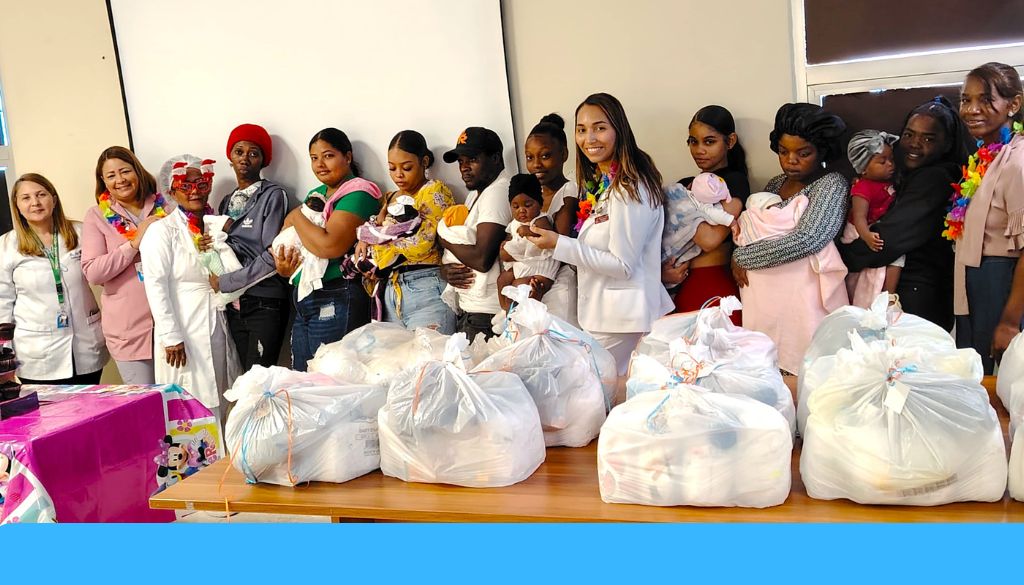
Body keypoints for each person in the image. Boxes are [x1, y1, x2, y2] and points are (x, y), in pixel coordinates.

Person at [527, 92, 674, 376]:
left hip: (623, 319)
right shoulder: (602, 186)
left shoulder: (631, 188)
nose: (589, 138)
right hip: (606, 316)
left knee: (585, 395)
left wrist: (559, 244)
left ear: (619, 130)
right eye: (581, 130)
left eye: (600, 128)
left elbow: (623, 264)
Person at [732, 103, 849, 374]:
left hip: (803, 296)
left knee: (805, 366)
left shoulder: (831, 184)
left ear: (821, 150)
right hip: (765, 299)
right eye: (783, 152)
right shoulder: (774, 184)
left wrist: (744, 257)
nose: (791, 160)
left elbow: (810, 238)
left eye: (803, 153)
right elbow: (753, 226)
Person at [839, 97, 970, 332]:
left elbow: (892, 236)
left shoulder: (935, 179)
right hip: (909, 291)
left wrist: (839, 257)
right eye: (909, 135)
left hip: (917, 294)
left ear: (947, 143)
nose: (915, 144)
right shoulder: (904, 176)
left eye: (928, 138)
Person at [140, 155, 240, 423]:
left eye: (201, 183)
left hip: (216, 318)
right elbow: (155, 284)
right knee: (191, 398)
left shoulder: (214, 224)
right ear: (171, 191)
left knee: (221, 388)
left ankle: (222, 459)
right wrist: (171, 336)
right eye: (185, 185)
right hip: (182, 327)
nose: (195, 191)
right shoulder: (161, 231)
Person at [272, 128, 381, 371]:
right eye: (313, 158)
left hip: (337, 294)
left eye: (328, 156)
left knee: (329, 381)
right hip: (304, 298)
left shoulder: (359, 192)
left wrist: (297, 216)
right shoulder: (316, 194)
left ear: (348, 157)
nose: (320, 164)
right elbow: (287, 238)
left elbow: (329, 246)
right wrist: (283, 265)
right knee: (302, 379)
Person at [951, 62, 1024, 374]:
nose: (972, 109)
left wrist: (1008, 322)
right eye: (966, 100)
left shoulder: (1017, 162)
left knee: (1003, 381)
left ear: (1014, 104)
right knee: (978, 375)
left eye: (985, 100)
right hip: (975, 282)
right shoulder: (987, 154)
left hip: (1003, 283)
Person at [0, 173, 108, 384]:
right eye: (26, 198)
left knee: (91, 410)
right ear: (17, 206)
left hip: (85, 344)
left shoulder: (82, 232)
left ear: (54, 199)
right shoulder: (6, 245)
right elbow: (2, 302)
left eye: (41, 194)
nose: (35, 203)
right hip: (36, 352)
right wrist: (4, 354)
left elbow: (104, 270)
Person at [352, 130, 456, 333]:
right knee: (398, 362)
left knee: (429, 360)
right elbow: (372, 232)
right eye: (391, 168)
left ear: (424, 162)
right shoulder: (389, 198)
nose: (398, 175)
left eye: (406, 168)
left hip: (426, 285)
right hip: (390, 290)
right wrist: (370, 238)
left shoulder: (434, 191)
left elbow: (421, 243)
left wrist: (379, 239)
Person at [210, 124, 290, 371]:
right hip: (235, 305)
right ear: (230, 157)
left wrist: (227, 282)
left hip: (264, 301)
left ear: (264, 160)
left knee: (259, 380)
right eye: (239, 151)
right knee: (244, 379)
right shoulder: (226, 201)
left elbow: (270, 256)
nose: (245, 158)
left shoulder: (273, 195)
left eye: (254, 153)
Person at [81, 147, 165, 384]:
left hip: (171, 326)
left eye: (125, 171)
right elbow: (94, 272)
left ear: (137, 171)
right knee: (146, 405)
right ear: (103, 182)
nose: (120, 180)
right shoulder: (96, 216)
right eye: (111, 175)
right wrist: (134, 243)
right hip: (129, 331)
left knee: (178, 404)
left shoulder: (165, 207)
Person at [662, 105, 749, 319]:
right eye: (693, 141)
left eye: (709, 142)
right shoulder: (684, 185)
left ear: (730, 141)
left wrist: (684, 209)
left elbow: (710, 239)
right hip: (678, 286)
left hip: (712, 282)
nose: (699, 150)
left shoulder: (734, 181)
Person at [437, 126, 512, 340]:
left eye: (472, 160)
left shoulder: (497, 192)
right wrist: (446, 270)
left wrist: (444, 239)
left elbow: (481, 259)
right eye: (461, 161)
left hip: (486, 315)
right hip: (473, 311)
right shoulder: (478, 193)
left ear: (496, 158)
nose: (464, 168)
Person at [839, 130, 902, 306]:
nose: (890, 165)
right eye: (882, 161)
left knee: (898, 256)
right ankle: (866, 299)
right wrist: (866, 236)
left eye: (891, 159)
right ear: (863, 167)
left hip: (877, 225)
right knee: (869, 270)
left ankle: (889, 294)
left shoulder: (888, 182)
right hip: (860, 230)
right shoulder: (862, 189)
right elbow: (859, 218)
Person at [498, 173, 560, 308]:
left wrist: (528, 231)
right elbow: (509, 240)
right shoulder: (514, 223)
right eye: (515, 207)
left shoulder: (540, 220)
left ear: (540, 203)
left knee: (518, 287)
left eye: (528, 205)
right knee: (502, 279)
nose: (522, 210)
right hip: (522, 265)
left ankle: (514, 314)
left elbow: (546, 235)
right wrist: (505, 244)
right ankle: (504, 310)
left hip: (540, 269)